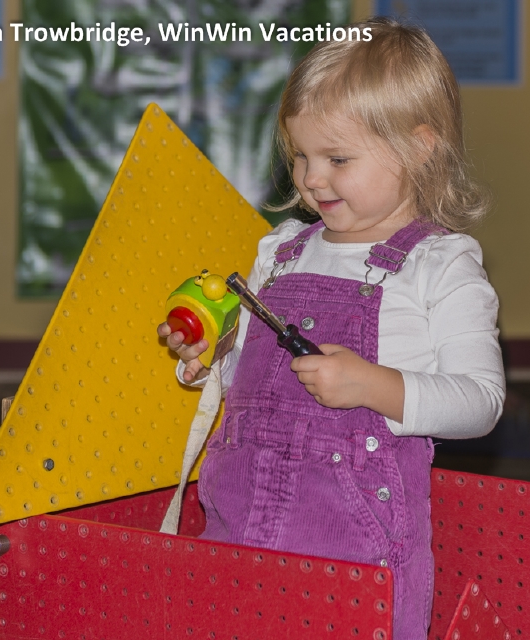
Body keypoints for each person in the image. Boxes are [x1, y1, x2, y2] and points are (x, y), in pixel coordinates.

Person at [158, 17, 505, 639]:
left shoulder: (439, 265)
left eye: (337, 158)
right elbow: (256, 387)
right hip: (238, 530)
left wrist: (372, 385)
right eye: (300, 156)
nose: (311, 178)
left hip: (356, 555)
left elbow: (480, 402)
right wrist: (212, 358)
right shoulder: (281, 252)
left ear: (419, 147)